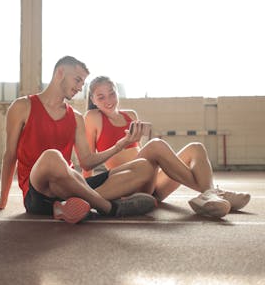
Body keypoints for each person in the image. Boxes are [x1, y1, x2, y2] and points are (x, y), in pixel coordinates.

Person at [0, 56, 157, 224]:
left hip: (71, 185)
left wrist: (120, 145)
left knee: (144, 167)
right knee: (52, 157)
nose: (79, 87)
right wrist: (2, 201)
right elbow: (10, 155)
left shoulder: (75, 117)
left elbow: (86, 162)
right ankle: (109, 207)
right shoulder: (22, 106)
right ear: (60, 73)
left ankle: (71, 206)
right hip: (39, 192)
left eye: (82, 83)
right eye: (77, 80)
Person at [84, 76, 250, 218]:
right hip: (131, 184)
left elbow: (140, 152)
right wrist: (84, 186)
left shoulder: (131, 115)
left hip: (152, 183)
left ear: (117, 92)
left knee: (196, 148)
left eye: (112, 94)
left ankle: (209, 193)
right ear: (92, 100)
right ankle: (213, 192)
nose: (109, 101)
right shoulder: (93, 117)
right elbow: (88, 162)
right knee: (156, 145)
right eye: (101, 97)